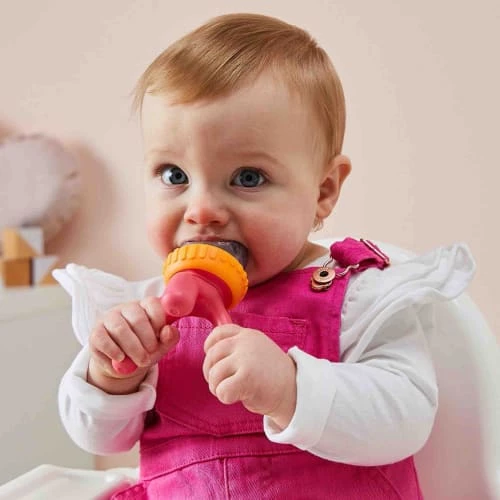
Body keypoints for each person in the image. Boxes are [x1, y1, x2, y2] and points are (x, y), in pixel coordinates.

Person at [55, 12, 475, 498]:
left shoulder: (361, 298)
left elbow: (407, 418)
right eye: (174, 175)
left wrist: (291, 389)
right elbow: (97, 437)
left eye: (247, 178)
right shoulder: (144, 311)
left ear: (323, 191)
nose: (201, 210)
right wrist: (111, 376)